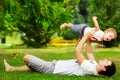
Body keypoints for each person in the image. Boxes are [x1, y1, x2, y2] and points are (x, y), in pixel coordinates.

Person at [4, 31, 116, 77]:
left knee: (26, 57)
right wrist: (89, 40)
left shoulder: (89, 68)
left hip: (51, 69)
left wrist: (85, 36)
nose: (105, 59)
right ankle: (11, 69)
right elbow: (89, 52)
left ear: (104, 69)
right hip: (55, 64)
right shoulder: (94, 65)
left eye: (106, 62)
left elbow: (77, 51)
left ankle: (35, 67)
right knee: (33, 66)